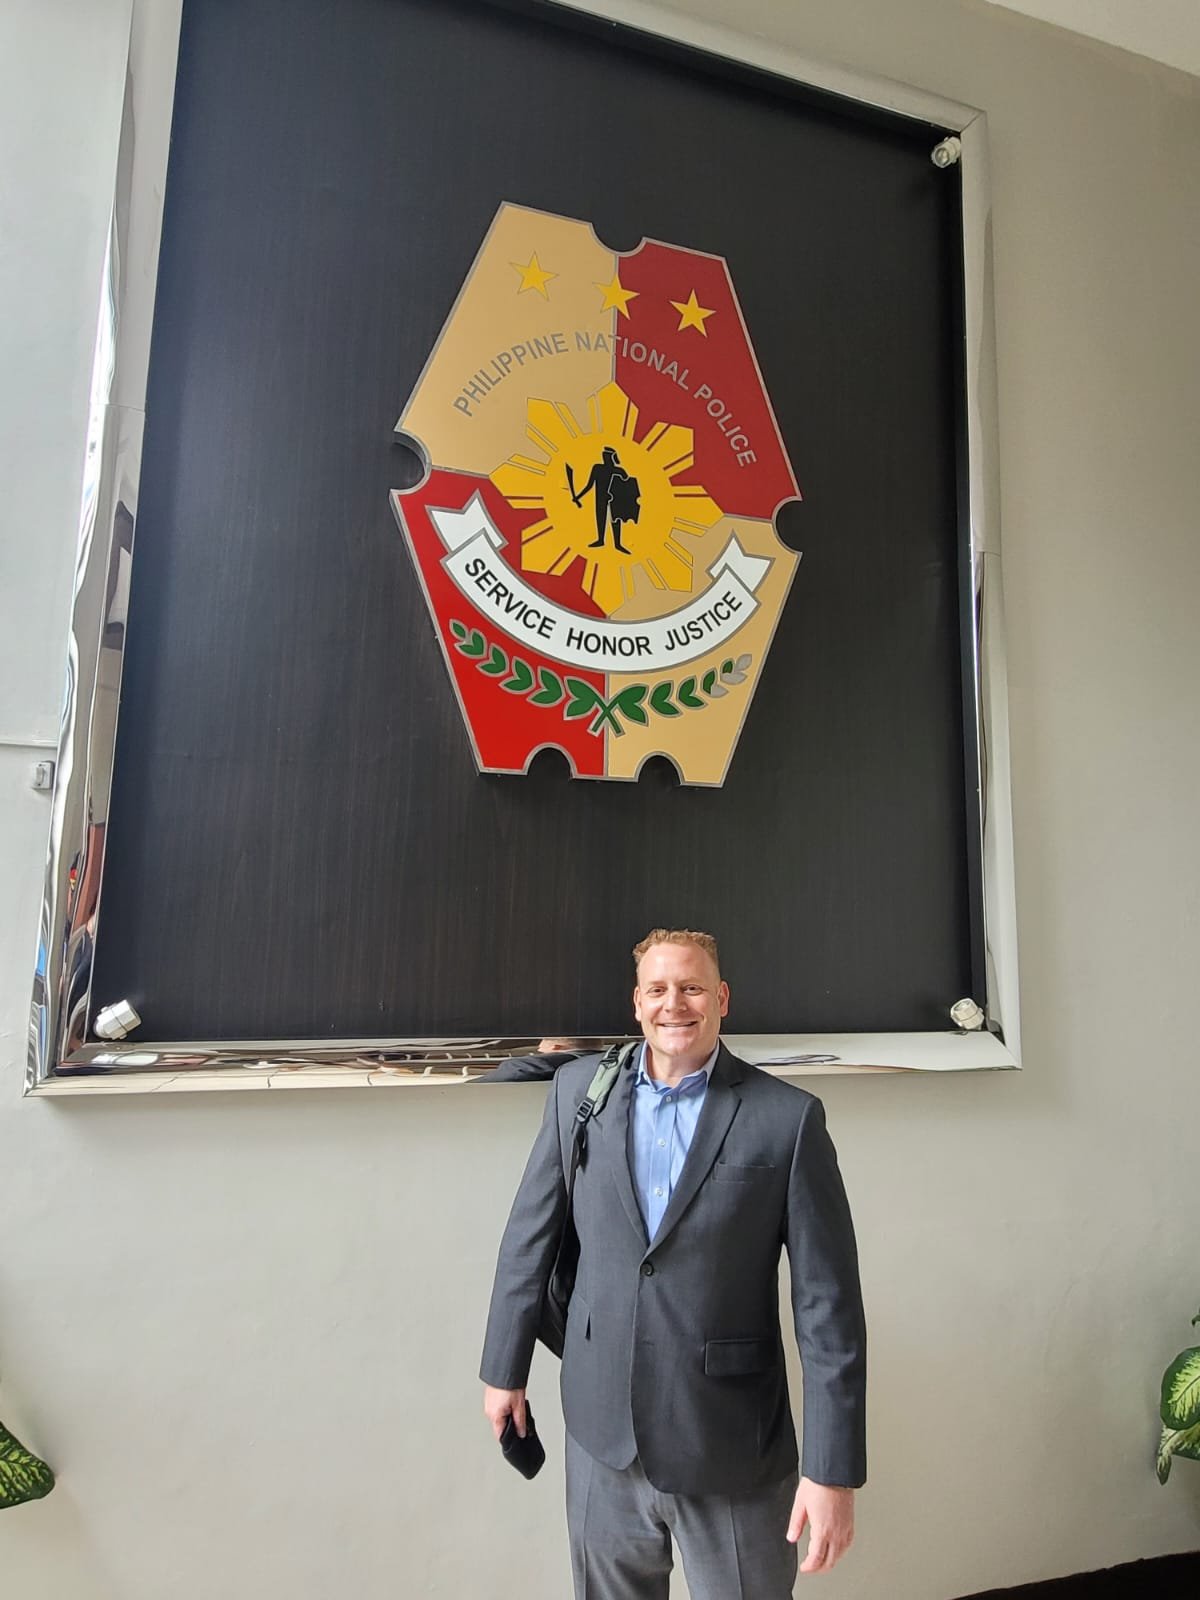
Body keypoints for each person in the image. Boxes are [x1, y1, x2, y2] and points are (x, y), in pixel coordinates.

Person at [480, 929, 866, 1599]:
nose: (674, 1004)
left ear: (722, 999)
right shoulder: (578, 1093)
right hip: (602, 1432)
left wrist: (832, 1472)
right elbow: (529, 1237)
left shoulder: (788, 1119)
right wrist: (504, 1371)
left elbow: (827, 1308)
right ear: (637, 1003)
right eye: (657, 989)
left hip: (731, 1443)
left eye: (691, 988)